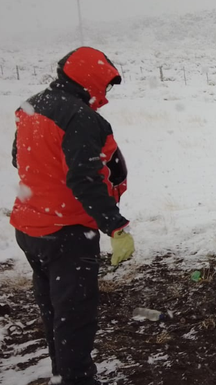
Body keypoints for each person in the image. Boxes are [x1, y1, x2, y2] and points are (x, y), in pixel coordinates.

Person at [10, 47, 135, 385]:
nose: (106, 93)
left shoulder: (32, 104)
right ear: (91, 79)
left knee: (53, 306)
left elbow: (16, 157)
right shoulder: (80, 117)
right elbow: (85, 178)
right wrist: (116, 226)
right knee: (75, 314)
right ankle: (77, 378)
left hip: (31, 227)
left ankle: (61, 370)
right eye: (106, 85)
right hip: (68, 231)